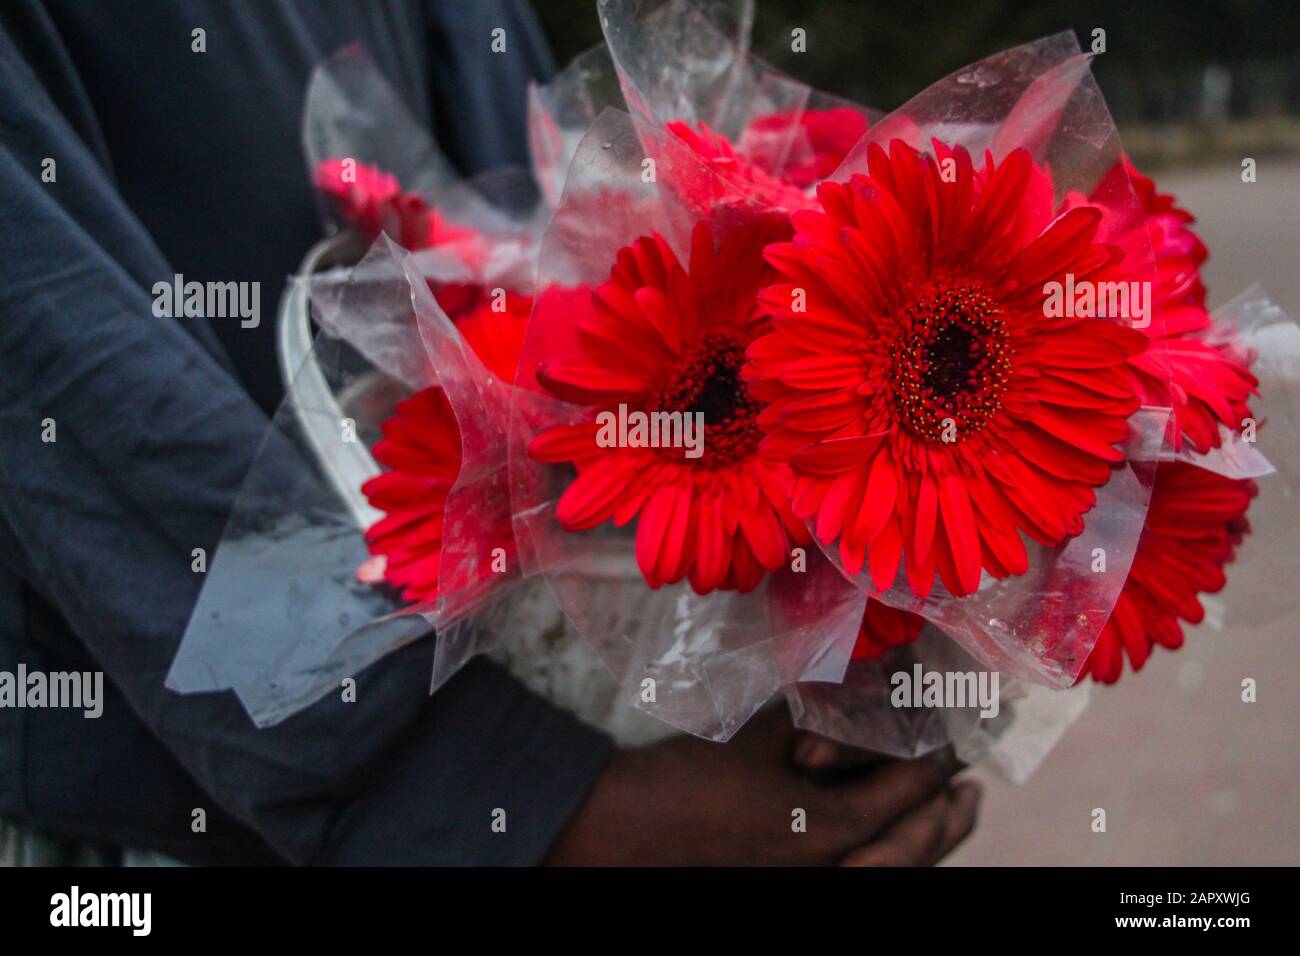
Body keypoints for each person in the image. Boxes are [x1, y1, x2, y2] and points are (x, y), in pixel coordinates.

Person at [0, 0, 980, 866]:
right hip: (174, 802)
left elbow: (535, 246)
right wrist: (484, 788)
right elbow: (51, 350)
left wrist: (844, 631)